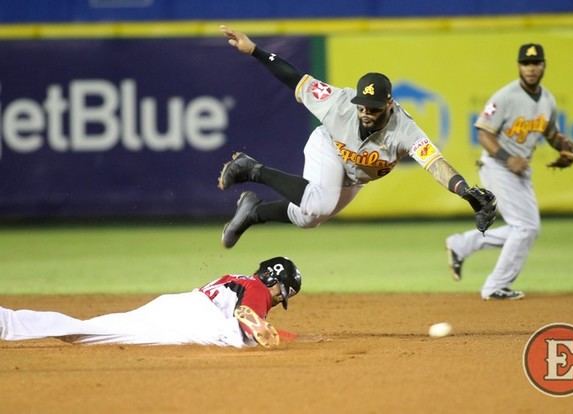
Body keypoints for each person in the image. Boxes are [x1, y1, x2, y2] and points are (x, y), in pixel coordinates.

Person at [217, 25, 497, 249]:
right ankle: (251, 169)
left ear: (389, 105)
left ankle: (253, 212)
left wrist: (463, 190)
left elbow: (434, 163)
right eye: (361, 105)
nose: (365, 112)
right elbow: (295, 78)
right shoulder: (339, 103)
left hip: (356, 174)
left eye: (373, 108)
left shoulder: (404, 130)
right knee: (319, 203)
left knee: (307, 218)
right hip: (328, 146)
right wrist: (254, 50)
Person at [445, 43, 573, 300]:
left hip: (520, 170)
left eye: (536, 63)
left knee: (525, 228)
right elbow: (483, 132)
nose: (531, 68)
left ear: (543, 66)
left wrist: (564, 146)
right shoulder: (504, 97)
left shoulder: (548, 100)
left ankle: (462, 244)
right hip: (497, 166)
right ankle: (494, 286)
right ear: (519, 66)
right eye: (526, 63)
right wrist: (507, 157)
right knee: (525, 228)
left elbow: (550, 132)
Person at [0, 257, 302, 349]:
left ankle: (7, 321)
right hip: (197, 318)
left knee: (84, 331)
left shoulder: (237, 278)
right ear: (274, 280)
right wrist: (257, 329)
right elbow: (246, 314)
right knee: (242, 339)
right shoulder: (259, 288)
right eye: (282, 294)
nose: (278, 300)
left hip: (175, 305)